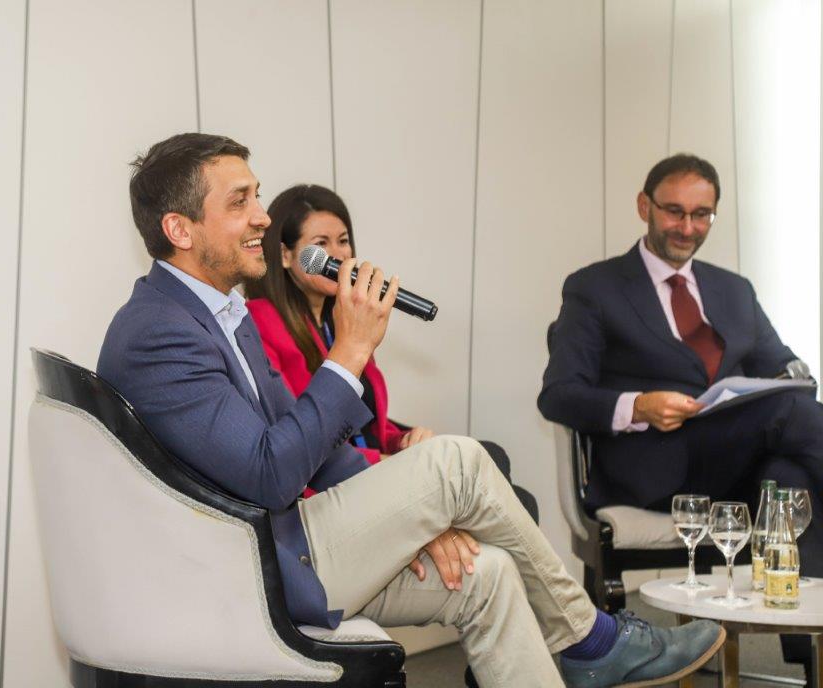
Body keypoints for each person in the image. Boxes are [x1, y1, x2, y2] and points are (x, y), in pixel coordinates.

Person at [97, 133, 724, 687]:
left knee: (489, 574)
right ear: (180, 230)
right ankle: (591, 641)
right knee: (456, 461)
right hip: (248, 572)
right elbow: (270, 474)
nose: (262, 215)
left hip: (284, 546)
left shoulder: (221, 314)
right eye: (240, 202)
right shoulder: (158, 331)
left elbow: (317, 450)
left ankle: (583, 649)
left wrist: (417, 516)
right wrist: (349, 353)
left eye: (257, 195)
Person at [538, 153, 823, 669]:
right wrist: (638, 406)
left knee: (789, 478)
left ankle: (812, 658)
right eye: (674, 211)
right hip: (656, 465)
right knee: (792, 413)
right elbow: (558, 394)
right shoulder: (595, 287)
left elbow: (787, 369)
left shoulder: (734, 290)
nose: (687, 228)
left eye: (701, 215)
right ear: (644, 206)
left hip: (733, 463)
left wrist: (789, 376)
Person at [242, 183, 538, 520]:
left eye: (343, 241)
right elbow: (300, 430)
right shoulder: (262, 320)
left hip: (373, 468)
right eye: (321, 244)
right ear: (285, 255)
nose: (338, 255)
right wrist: (389, 462)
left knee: (496, 463)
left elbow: (367, 425)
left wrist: (404, 441)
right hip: (331, 489)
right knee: (502, 484)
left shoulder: (345, 319)